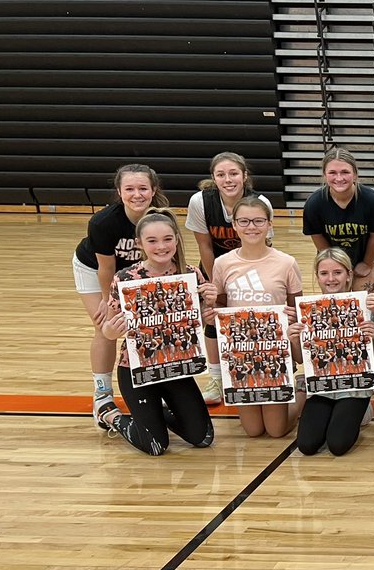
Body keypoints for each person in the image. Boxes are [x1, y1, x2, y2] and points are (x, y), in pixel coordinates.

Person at [98, 209, 217, 455]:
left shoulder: (191, 273)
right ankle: (111, 415)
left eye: (167, 239)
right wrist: (111, 329)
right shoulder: (124, 278)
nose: (161, 246)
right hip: (136, 369)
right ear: (139, 243)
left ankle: (152, 413)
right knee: (155, 446)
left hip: (176, 367)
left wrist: (210, 306)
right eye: (152, 241)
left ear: (176, 239)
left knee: (202, 438)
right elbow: (108, 333)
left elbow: (198, 323)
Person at [73, 163, 168, 429]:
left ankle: (153, 386)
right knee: (106, 327)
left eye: (142, 188)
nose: (137, 194)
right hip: (95, 270)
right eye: (129, 189)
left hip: (136, 270)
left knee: (149, 327)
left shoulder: (161, 218)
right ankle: (102, 395)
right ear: (119, 191)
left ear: (153, 190)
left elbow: (164, 256)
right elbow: (106, 269)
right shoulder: (103, 222)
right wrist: (110, 302)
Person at [185, 151, 273, 406]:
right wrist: (215, 285)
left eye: (233, 173)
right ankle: (215, 378)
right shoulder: (200, 201)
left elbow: (263, 246)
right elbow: (205, 247)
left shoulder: (260, 202)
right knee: (213, 319)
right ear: (213, 177)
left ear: (245, 176)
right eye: (221, 174)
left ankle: (252, 368)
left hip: (250, 266)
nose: (228, 179)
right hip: (215, 268)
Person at [213, 196, 305, 438]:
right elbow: (221, 308)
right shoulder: (222, 263)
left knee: (276, 431)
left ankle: (303, 392)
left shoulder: (286, 262)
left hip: (275, 354)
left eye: (258, 221)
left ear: (269, 223)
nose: (251, 227)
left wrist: (291, 321)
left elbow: (297, 309)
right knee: (253, 431)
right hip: (241, 355)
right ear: (234, 225)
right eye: (243, 221)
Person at [291, 248, 374, 456]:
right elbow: (300, 359)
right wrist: (294, 339)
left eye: (337, 272)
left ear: (349, 274)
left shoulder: (364, 307)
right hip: (322, 386)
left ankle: (361, 410)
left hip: (354, 386)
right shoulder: (308, 310)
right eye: (324, 273)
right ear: (317, 276)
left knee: (338, 445)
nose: (331, 279)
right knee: (307, 445)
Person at [302, 147, 374, 291]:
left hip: (368, 257)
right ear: (324, 175)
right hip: (332, 259)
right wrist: (334, 266)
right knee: (337, 303)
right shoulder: (314, 203)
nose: (339, 178)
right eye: (332, 173)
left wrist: (367, 263)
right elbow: (317, 236)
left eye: (345, 172)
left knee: (367, 303)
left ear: (355, 174)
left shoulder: (372, 201)